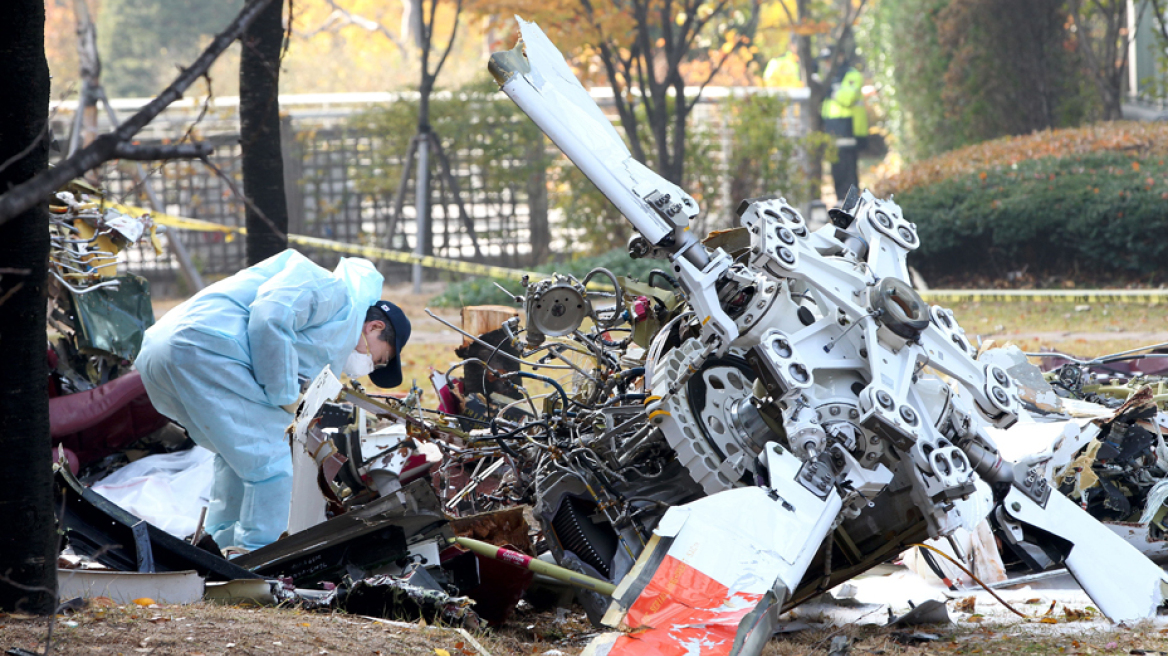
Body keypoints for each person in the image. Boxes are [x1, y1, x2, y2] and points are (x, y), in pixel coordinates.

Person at [135, 249, 411, 552]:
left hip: (168, 353)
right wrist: (284, 395)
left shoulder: (335, 324)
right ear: (375, 327)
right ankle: (260, 559)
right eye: (379, 359)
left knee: (237, 460)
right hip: (204, 349)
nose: (369, 366)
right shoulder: (331, 290)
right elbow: (270, 317)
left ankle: (220, 546)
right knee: (275, 465)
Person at [821, 68, 869, 202]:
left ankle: (850, 202)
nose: (827, 63)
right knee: (837, 167)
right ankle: (841, 200)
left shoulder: (852, 75)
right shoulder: (830, 74)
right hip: (834, 127)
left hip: (849, 128)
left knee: (848, 167)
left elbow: (847, 99)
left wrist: (833, 93)